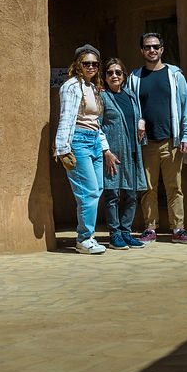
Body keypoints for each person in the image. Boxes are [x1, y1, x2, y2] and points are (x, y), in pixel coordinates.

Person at [125, 32, 187, 243]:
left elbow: (186, 108)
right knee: (148, 189)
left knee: (175, 187)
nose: (152, 50)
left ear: (162, 49)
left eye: (155, 46)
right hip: (146, 143)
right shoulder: (135, 78)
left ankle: (178, 229)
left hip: (171, 141)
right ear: (142, 51)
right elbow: (130, 107)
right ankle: (149, 228)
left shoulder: (175, 76)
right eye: (147, 47)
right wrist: (138, 121)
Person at [53, 45, 114, 256]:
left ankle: (87, 236)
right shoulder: (72, 86)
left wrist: (105, 148)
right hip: (78, 142)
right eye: (86, 63)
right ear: (78, 64)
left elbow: (96, 122)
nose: (91, 67)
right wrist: (62, 148)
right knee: (87, 192)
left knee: (96, 191)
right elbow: (67, 118)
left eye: (94, 64)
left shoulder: (94, 88)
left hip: (95, 142)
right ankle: (84, 238)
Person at [101, 60, 147, 249]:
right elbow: (98, 125)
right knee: (112, 195)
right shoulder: (102, 97)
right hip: (113, 154)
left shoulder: (130, 96)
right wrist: (106, 151)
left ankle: (126, 232)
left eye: (118, 72)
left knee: (131, 195)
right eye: (110, 72)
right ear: (105, 77)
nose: (114, 76)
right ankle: (114, 235)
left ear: (124, 76)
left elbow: (137, 116)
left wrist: (141, 120)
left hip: (133, 151)